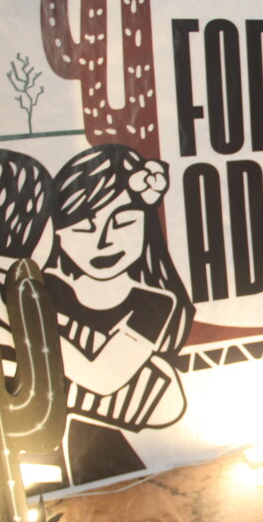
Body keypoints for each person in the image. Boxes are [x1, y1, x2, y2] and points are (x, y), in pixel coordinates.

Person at [45, 144, 194, 486]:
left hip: (110, 455)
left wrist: (20, 326)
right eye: (83, 227)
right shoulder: (48, 287)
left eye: (123, 222)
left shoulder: (154, 303)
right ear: (59, 232)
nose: (104, 241)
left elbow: (105, 378)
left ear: (146, 225)